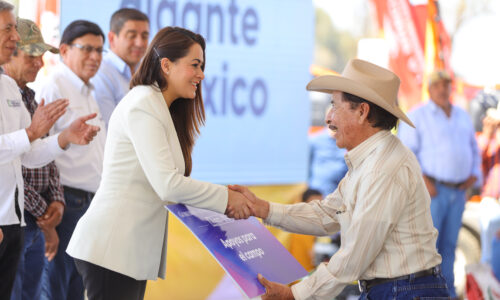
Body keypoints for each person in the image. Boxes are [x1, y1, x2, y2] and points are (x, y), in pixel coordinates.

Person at [231, 59, 449, 299]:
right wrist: (263, 209)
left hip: (402, 291)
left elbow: (355, 254)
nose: (328, 117)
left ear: (362, 112)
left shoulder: (382, 167)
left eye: (334, 106)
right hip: (398, 290)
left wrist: (295, 294)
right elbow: (326, 214)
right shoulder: (373, 159)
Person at [66, 27, 251, 300]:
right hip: (112, 249)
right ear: (166, 65)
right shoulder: (143, 104)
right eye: (195, 65)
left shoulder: (158, 106)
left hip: (126, 253)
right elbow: (168, 185)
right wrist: (227, 198)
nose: (201, 75)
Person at [0, 2, 99, 299]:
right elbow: (25, 140)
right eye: (8, 29)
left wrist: (63, 138)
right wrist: (32, 132)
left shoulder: (8, 87)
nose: (15, 37)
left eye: (15, 31)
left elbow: (26, 156)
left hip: (14, 221)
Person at [36, 20, 107, 300]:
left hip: (89, 203)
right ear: (64, 50)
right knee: (56, 286)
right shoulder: (54, 85)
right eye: (87, 49)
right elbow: (38, 147)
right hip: (64, 202)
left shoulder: (87, 89)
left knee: (76, 287)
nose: (95, 57)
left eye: (100, 51)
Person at [398, 69, 482, 299]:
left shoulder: (462, 116)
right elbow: (405, 154)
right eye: (437, 85)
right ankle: (421, 294)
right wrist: (423, 182)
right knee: (427, 248)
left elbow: (474, 150)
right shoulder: (418, 116)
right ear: (429, 88)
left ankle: (447, 294)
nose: (442, 89)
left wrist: (473, 176)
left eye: (446, 84)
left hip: (458, 191)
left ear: (450, 87)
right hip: (432, 191)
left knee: (449, 247)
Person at [3, 18, 65, 300]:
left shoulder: (23, 94)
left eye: (42, 56)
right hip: (19, 217)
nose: (40, 63)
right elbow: (19, 153)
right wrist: (44, 214)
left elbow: (38, 157)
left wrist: (57, 201)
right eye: (32, 55)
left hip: (27, 222)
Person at [93, 8, 149, 126]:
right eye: (131, 36)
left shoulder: (147, 69)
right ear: (112, 38)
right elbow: (110, 129)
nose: (140, 43)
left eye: (144, 36)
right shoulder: (100, 73)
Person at [288, 188, 322, 272]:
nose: (318, 209)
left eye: (321, 204)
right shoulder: (297, 229)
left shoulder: (318, 227)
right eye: (313, 205)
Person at [308, 126, 348, 197]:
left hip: (340, 193)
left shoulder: (347, 141)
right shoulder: (315, 140)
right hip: (319, 193)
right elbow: (307, 165)